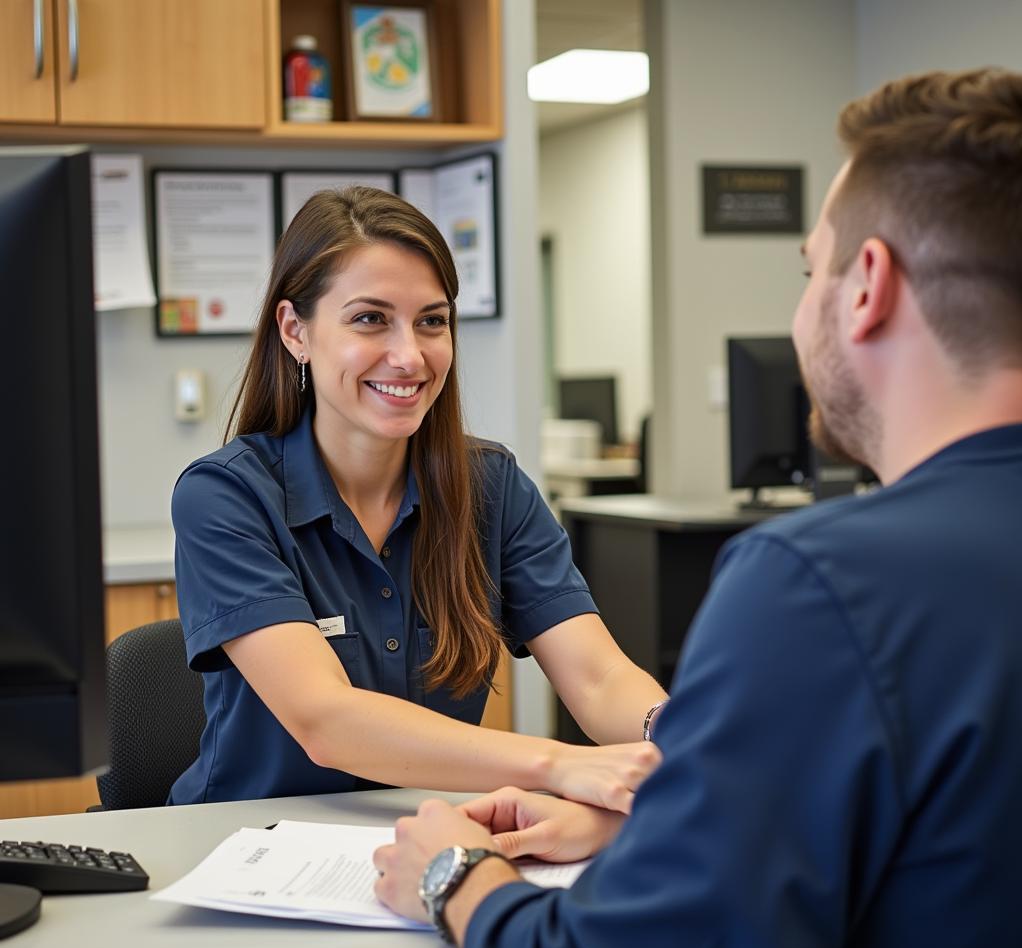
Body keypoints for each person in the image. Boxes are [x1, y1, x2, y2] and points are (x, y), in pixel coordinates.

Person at [373, 67, 1022, 948]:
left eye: (812, 272)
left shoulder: (821, 585)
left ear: (868, 288)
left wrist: (455, 879)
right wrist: (673, 815)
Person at [169, 185, 666, 809]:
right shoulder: (227, 496)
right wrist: (557, 765)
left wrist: (669, 735)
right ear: (296, 330)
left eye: (432, 321)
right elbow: (328, 721)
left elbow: (598, 677)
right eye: (370, 319)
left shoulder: (492, 486)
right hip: (248, 848)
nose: (409, 356)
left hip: (427, 834)